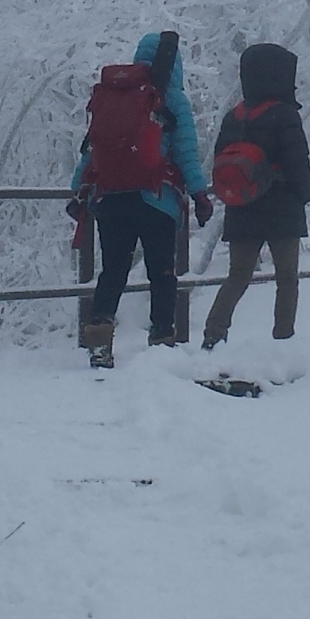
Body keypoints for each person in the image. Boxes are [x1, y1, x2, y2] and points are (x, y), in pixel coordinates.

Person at [70, 30, 212, 368]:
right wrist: (200, 195)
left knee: (113, 270)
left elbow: (91, 150)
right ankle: (162, 342)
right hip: (155, 200)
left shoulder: (114, 96)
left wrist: (78, 192)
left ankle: (99, 343)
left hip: (111, 199)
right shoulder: (171, 98)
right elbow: (186, 153)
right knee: (161, 272)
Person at [201, 41, 310, 349]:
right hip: (282, 207)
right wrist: (304, 195)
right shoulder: (286, 115)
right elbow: (297, 161)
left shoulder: (233, 117)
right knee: (287, 277)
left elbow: (220, 161)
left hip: (242, 205)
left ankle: (214, 333)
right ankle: (283, 339)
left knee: (237, 275)